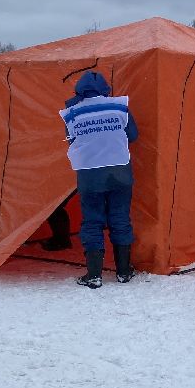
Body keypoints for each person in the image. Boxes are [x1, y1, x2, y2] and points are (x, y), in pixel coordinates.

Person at [59, 71, 139, 288]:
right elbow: (133, 135)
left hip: (90, 173)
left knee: (92, 221)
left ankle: (94, 275)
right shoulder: (119, 106)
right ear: (105, 88)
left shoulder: (72, 113)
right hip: (120, 171)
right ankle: (124, 272)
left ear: (80, 91)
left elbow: (71, 140)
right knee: (120, 218)